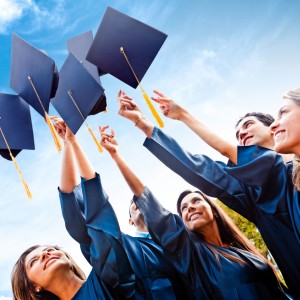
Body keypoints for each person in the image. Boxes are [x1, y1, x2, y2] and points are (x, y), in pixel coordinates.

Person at [117, 89, 300, 299]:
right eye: (238, 134)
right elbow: (198, 167)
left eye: (249, 124)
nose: (242, 134)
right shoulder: (251, 194)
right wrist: (143, 124)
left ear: (273, 128)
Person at [53, 118, 187, 299]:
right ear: (130, 220)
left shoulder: (177, 237)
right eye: (132, 204)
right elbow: (80, 212)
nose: (137, 203)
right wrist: (71, 143)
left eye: (138, 201)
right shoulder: (120, 244)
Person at [11, 117, 136, 300]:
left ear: (68, 258)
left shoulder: (105, 280)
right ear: (34, 286)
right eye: (34, 261)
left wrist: (70, 143)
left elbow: (92, 225)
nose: (46, 254)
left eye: (51, 249)